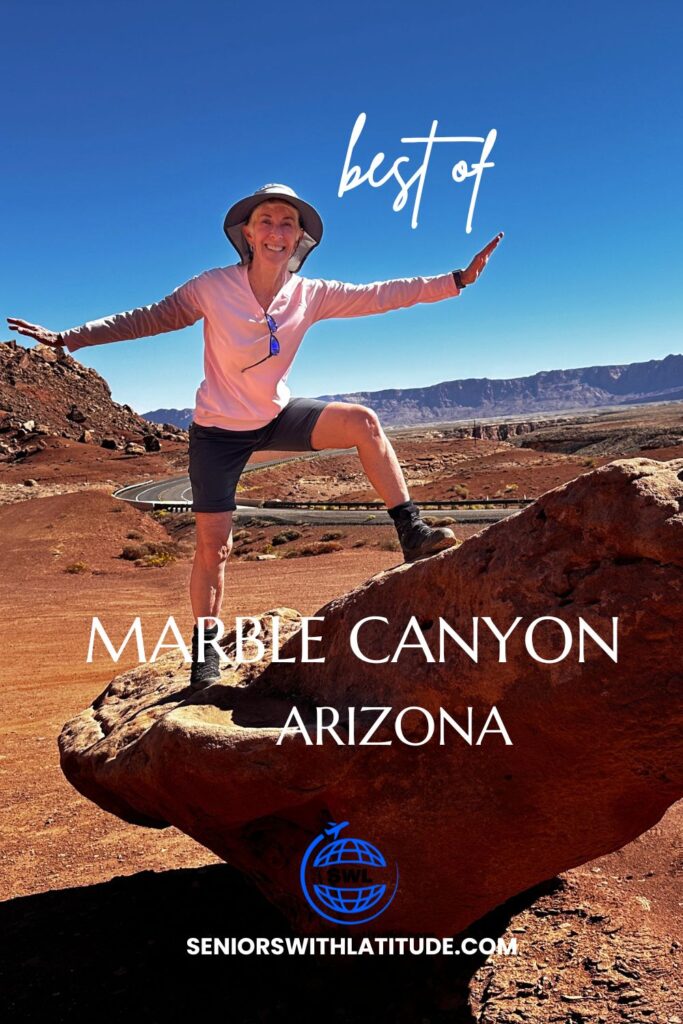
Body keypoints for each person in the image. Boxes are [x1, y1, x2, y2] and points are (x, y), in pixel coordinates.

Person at [7, 183, 503, 690]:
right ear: (247, 233)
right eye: (266, 220)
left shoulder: (310, 294)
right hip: (217, 434)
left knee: (363, 422)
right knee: (214, 548)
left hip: (275, 417)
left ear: (300, 238)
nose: (276, 231)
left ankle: (412, 532)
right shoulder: (212, 286)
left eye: (288, 223)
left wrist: (456, 280)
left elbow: (380, 295)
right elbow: (149, 318)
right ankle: (205, 651)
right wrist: (71, 337)